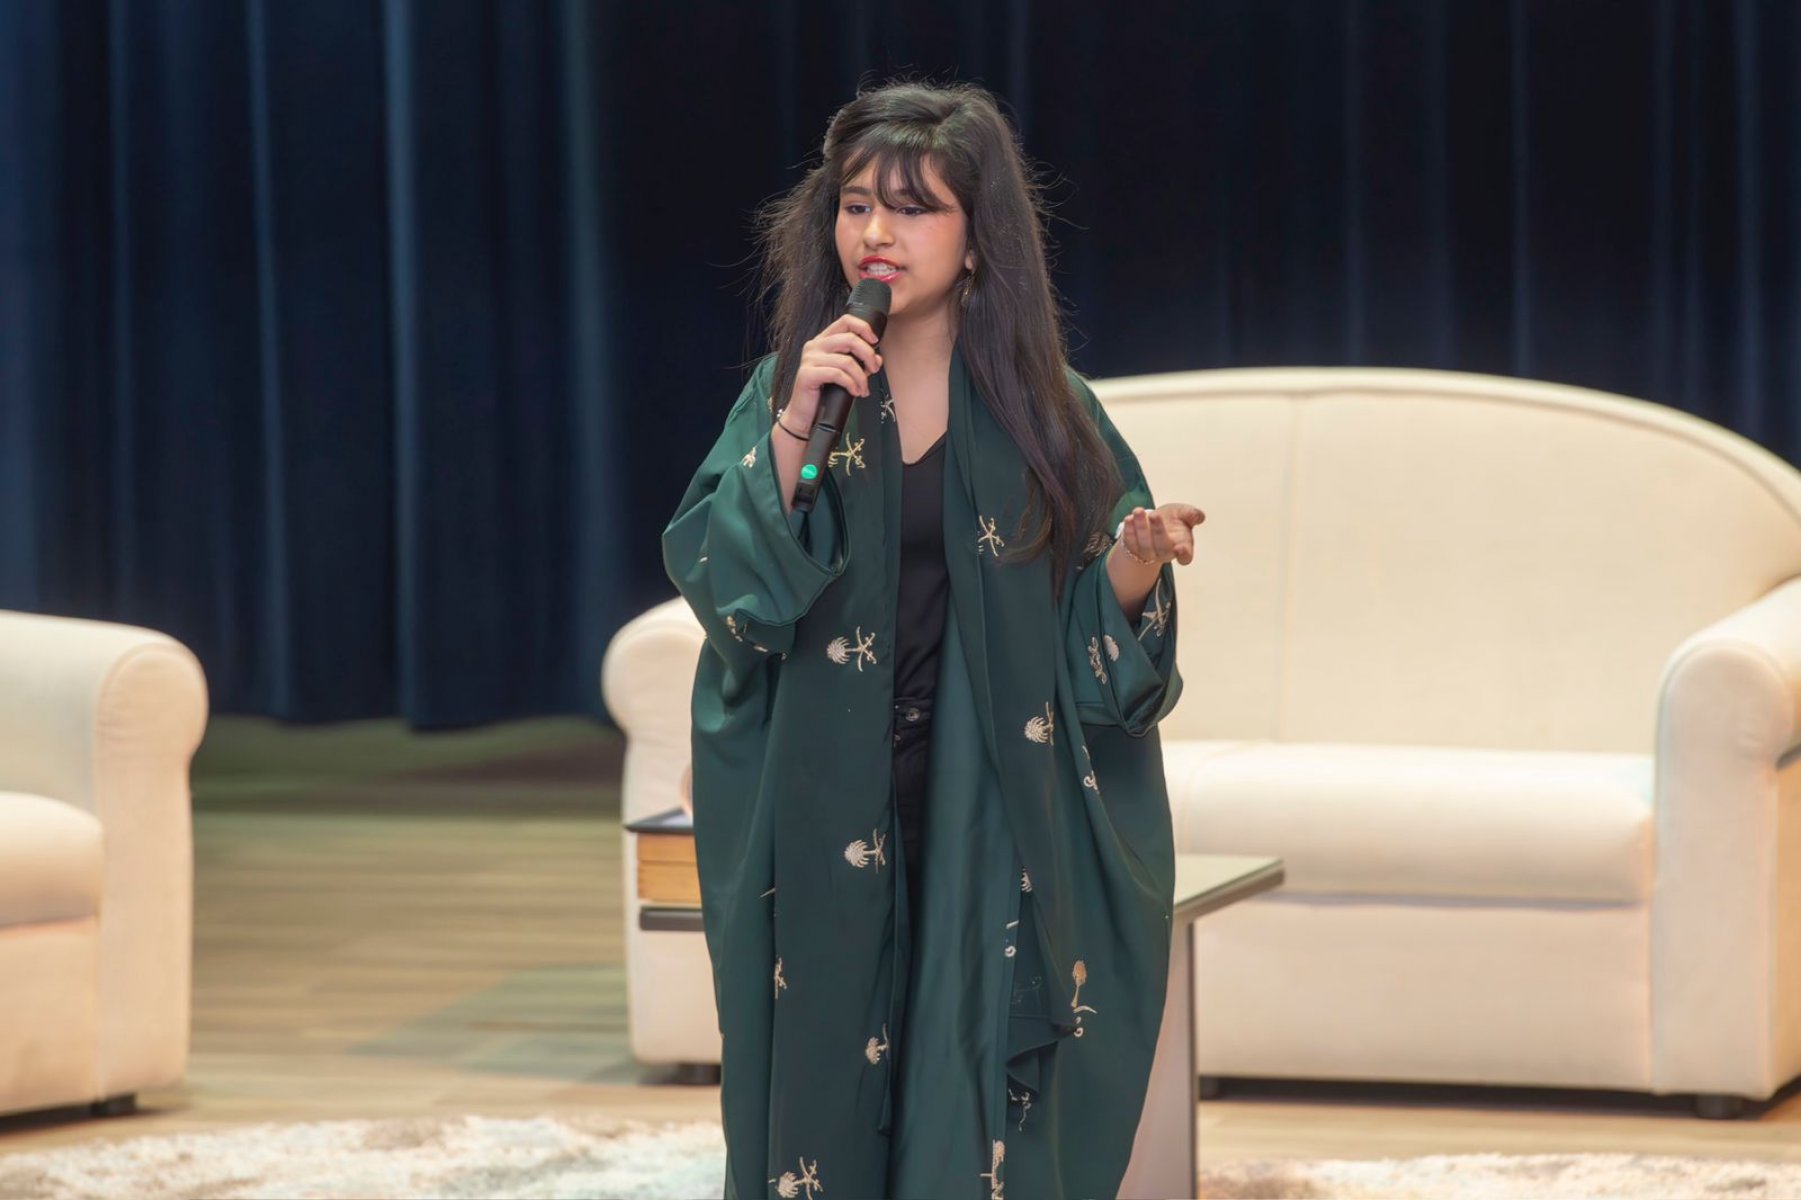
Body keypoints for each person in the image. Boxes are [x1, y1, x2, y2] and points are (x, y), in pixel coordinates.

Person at [662, 78, 1205, 1200]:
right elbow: (730, 590)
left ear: (976, 236)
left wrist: (1137, 560)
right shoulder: (793, 389)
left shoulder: (1046, 410)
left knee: (966, 1057)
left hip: (986, 786)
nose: (877, 232)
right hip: (822, 781)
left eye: (914, 209)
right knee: (822, 1062)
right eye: (857, 203)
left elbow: (1094, 636)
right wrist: (795, 423)